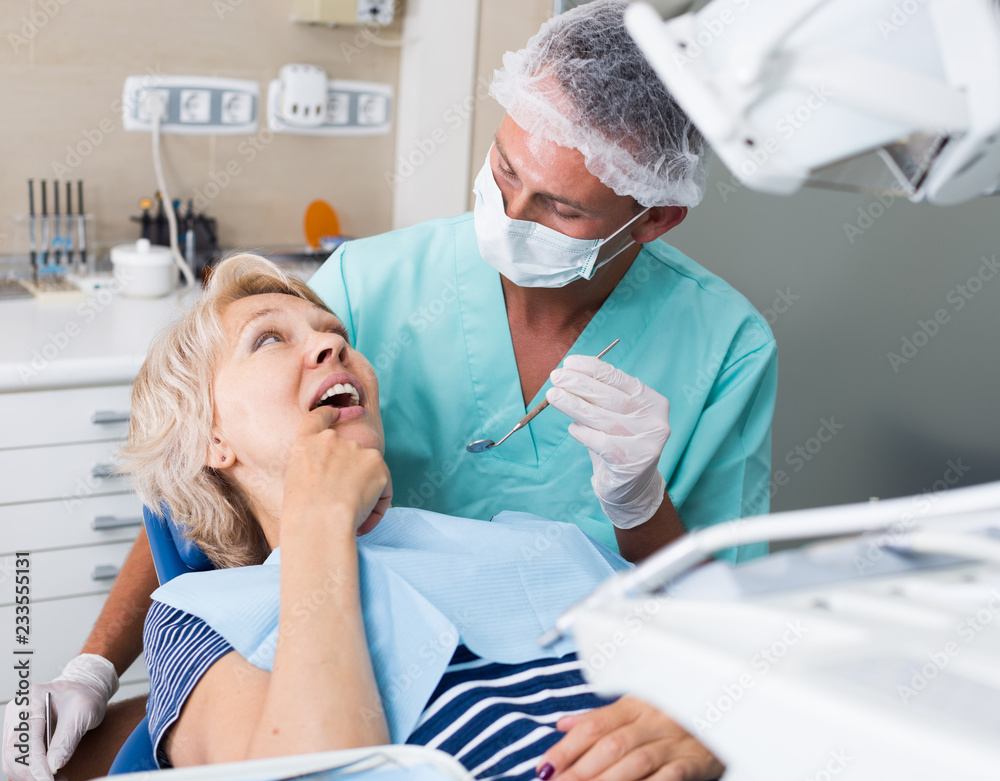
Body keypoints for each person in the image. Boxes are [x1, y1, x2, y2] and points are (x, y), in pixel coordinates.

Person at [3, 1, 776, 776]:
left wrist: (650, 533)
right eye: (504, 170)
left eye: (561, 207)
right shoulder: (373, 285)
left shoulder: (718, 353)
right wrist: (95, 665)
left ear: (653, 219)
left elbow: (724, 629)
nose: (509, 214)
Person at [130, 253, 720, 780]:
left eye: (334, 333)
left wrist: (709, 724)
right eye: (267, 340)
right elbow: (319, 772)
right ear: (210, 436)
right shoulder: (198, 620)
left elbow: (743, 664)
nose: (332, 346)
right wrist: (319, 516)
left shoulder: (540, 544)